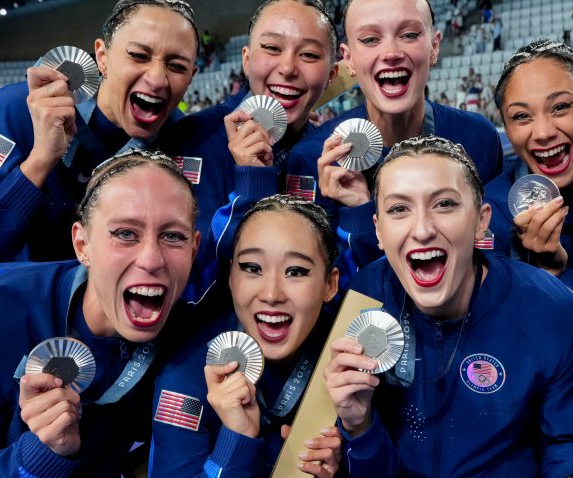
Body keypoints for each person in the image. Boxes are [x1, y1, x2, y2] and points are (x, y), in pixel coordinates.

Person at [0, 150, 200, 476]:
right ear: (82, 244)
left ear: (194, 248)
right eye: (125, 234)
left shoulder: (188, 337)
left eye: (173, 236)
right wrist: (39, 454)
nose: (152, 259)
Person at [322, 135, 573, 477]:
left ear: (482, 220)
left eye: (444, 204)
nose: (423, 229)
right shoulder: (366, 297)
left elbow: (566, 443)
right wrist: (359, 426)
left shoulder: (548, 307)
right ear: (378, 230)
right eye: (399, 209)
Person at [0, 0, 199, 288]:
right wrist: (37, 164)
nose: (156, 79)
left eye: (177, 66)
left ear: (191, 76)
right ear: (102, 56)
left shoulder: (183, 144)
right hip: (12, 326)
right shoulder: (14, 113)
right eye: (139, 55)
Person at [287, 0, 503, 284]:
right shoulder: (311, 158)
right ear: (348, 58)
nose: (391, 52)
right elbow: (321, 292)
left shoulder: (477, 137)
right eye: (370, 39)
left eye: (409, 35)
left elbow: (494, 259)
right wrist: (359, 215)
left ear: (434, 46)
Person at [157, 0, 338, 303]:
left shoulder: (333, 156)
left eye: (308, 54)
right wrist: (250, 186)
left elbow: (339, 281)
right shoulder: (193, 139)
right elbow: (183, 277)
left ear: (332, 76)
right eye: (271, 48)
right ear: (246, 59)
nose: (288, 68)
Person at [149, 195, 342, 477]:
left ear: (330, 284)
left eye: (296, 271)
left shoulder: (346, 354)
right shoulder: (182, 380)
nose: (271, 294)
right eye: (252, 268)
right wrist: (236, 439)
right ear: (230, 278)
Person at [484, 39, 573, 289]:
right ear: (506, 128)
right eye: (521, 116)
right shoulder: (488, 217)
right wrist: (546, 275)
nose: (543, 132)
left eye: (560, 107)